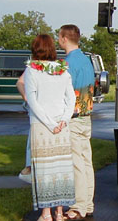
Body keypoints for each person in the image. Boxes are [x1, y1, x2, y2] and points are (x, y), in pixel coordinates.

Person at [24, 34, 76, 221]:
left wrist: (50, 124)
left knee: (44, 171)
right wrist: (64, 120)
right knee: (61, 169)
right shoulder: (63, 70)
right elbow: (71, 98)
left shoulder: (32, 70)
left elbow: (33, 100)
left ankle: (46, 213)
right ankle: (60, 212)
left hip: (42, 126)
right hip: (62, 127)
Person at [58, 24, 96, 220]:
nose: (58, 40)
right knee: (86, 161)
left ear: (64, 38)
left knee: (76, 164)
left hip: (73, 117)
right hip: (86, 116)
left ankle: (78, 206)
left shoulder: (68, 63)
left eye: (59, 37)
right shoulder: (86, 60)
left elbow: (64, 92)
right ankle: (88, 203)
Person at [17, 73, 32, 183]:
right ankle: (29, 168)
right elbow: (20, 83)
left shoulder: (32, 68)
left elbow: (19, 82)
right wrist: (27, 97)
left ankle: (29, 168)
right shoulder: (32, 68)